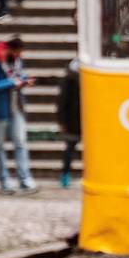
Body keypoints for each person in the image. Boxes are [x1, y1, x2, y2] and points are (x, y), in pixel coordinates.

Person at [0, 38, 36, 194]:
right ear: (10, 50)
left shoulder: (16, 62)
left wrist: (23, 81)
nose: (20, 55)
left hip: (16, 108)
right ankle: (4, 181)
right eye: (18, 52)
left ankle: (25, 179)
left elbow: (17, 77)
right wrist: (12, 83)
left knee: (21, 143)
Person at [56, 57, 82, 190]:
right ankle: (65, 174)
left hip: (79, 119)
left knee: (70, 148)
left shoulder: (70, 77)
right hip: (73, 119)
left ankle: (66, 174)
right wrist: (62, 120)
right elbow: (62, 101)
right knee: (70, 148)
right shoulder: (69, 80)